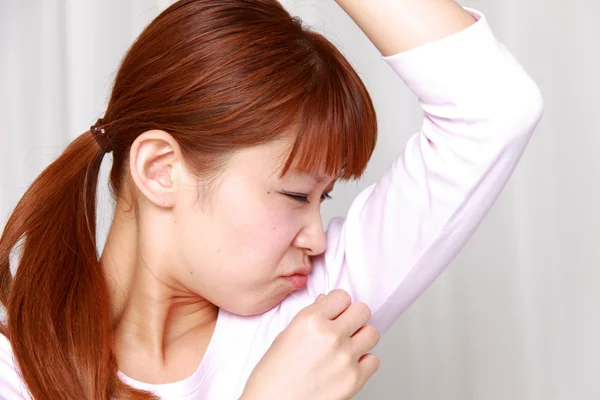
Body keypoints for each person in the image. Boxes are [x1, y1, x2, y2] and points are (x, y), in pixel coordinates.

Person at [0, 0, 544, 398]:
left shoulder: (313, 312)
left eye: (324, 198)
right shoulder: (16, 368)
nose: (314, 236)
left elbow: (493, 108)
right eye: (294, 194)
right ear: (161, 170)